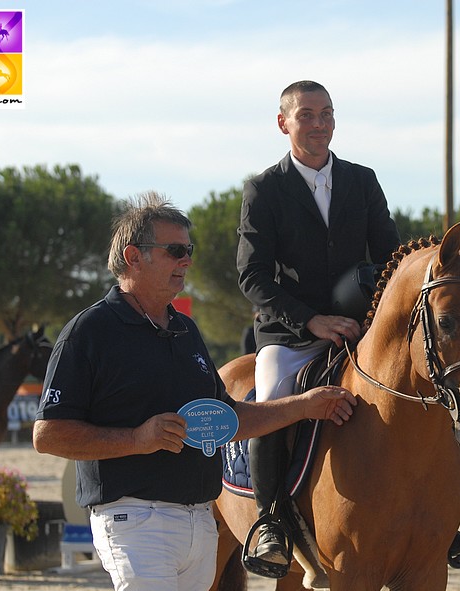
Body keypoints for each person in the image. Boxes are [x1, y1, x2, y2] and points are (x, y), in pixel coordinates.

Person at [33, 192, 358, 591]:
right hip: (134, 523)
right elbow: (47, 436)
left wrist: (304, 406)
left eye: (189, 249)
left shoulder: (186, 331)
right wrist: (138, 439)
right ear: (133, 256)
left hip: (200, 525)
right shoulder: (88, 333)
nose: (186, 260)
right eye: (174, 250)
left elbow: (228, 418)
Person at [236, 80, 400, 570]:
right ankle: (269, 520)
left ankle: (441, 513)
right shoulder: (264, 189)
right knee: (271, 400)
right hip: (290, 334)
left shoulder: (362, 180)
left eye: (326, 113)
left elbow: (390, 257)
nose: (319, 123)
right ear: (284, 122)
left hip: (358, 328)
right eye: (306, 114)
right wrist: (310, 319)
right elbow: (252, 275)